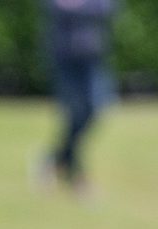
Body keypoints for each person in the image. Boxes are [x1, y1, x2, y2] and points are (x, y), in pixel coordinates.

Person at [39, 0, 118, 194]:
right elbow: (54, 8)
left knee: (98, 109)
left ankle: (56, 159)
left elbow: (108, 9)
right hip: (64, 59)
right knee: (75, 113)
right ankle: (77, 176)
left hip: (92, 59)